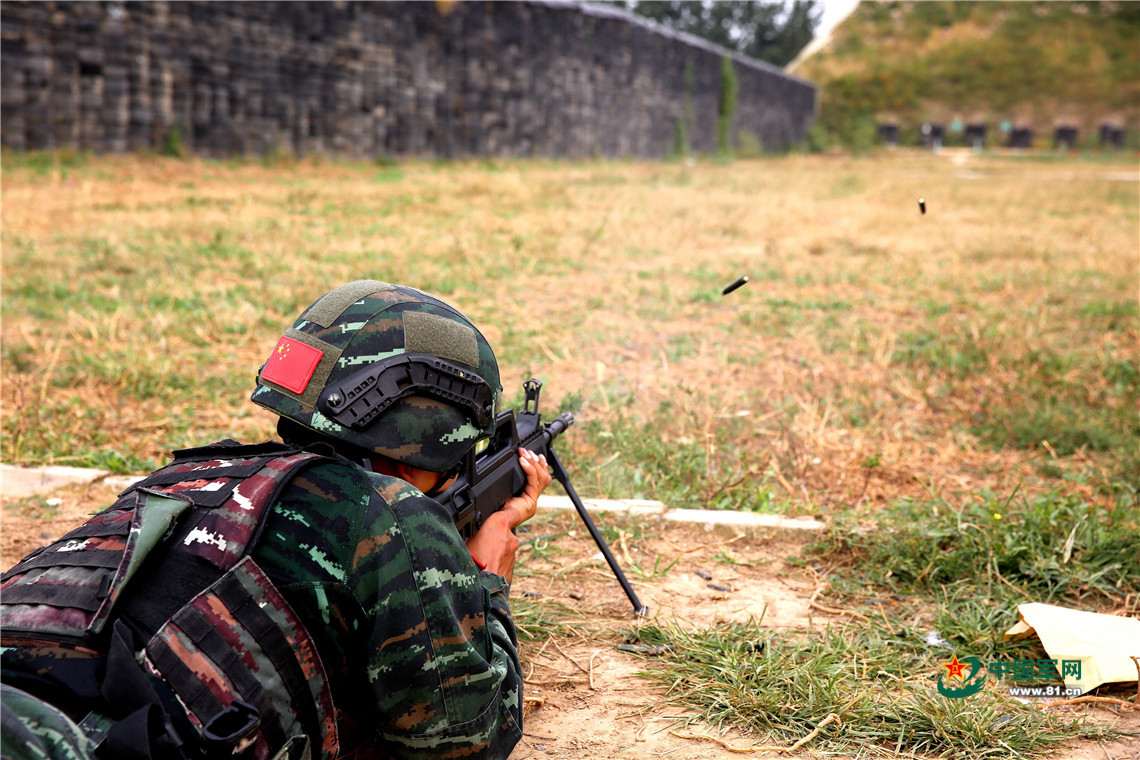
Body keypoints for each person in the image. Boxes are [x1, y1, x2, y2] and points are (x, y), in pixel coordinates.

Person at [1, 280, 551, 760]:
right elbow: (465, 740)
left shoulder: (180, 479)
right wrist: (486, 581)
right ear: (432, 431)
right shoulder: (391, 513)